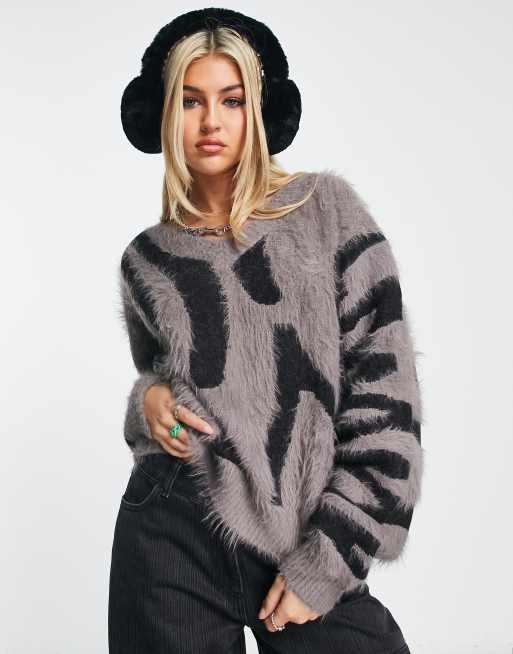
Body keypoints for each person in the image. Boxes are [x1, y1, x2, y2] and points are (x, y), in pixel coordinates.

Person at [108, 8, 423, 654]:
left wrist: (327, 563)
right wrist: (147, 404)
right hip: (170, 534)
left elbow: (387, 405)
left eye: (231, 100)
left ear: (258, 110)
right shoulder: (147, 258)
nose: (211, 121)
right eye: (190, 100)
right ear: (163, 113)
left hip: (301, 535)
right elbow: (164, 381)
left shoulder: (326, 213)